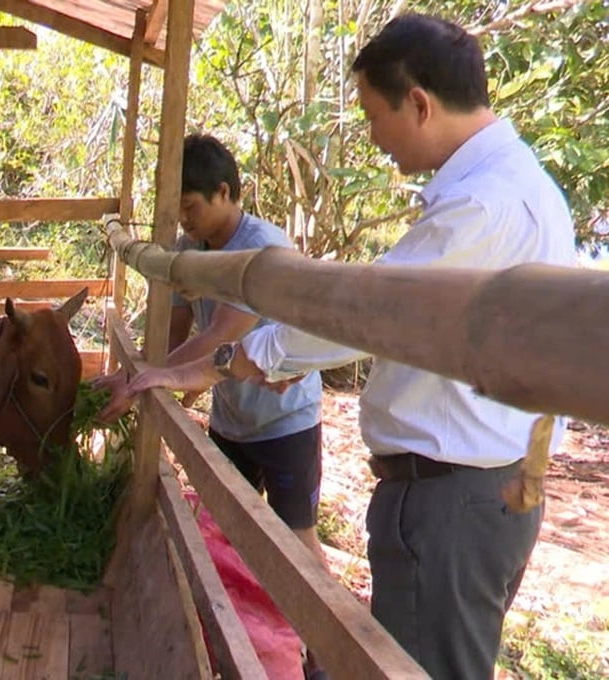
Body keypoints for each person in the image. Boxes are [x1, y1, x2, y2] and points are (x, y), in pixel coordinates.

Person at [121, 14, 577, 680]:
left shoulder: (483, 206)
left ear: (418, 103)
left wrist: (234, 361)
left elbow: (362, 312)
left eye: (371, 115)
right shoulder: (507, 187)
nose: (371, 136)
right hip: (467, 489)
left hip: (454, 500)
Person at [97, 133, 330, 678]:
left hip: (284, 418)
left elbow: (219, 338)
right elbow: (180, 329)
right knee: (224, 525)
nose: (186, 222)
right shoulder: (189, 253)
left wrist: (155, 379)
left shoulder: (263, 250)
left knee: (296, 536)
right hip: (233, 416)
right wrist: (150, 373)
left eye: (193, 208)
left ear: (225, 192)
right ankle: (230, 637)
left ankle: (321, 654)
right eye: (178, 212)